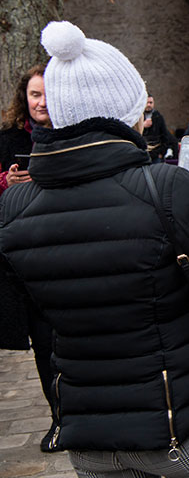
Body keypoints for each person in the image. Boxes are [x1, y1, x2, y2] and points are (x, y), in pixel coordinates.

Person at [0, 21, 189, 477]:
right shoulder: (165, 188)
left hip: (89, 436)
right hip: (185, 427)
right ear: (126, 114)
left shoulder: (14, 205)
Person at [0, 64, 59, 452]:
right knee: (43, 343)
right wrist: (7, 182)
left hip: (66, 250)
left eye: (47, 94)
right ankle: (60, 417)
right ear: (24, 98)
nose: (40, 102)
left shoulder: (71, 136)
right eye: (34, 95)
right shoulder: (6, 139)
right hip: (24, 259)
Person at [143, 93, 178, 163]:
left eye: (151, 102)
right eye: (147, 103)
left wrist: (162, 152)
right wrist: (143, 125)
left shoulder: (158, 116)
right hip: (143, 152)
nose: (149, 105)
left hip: (156, 153)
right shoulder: (138, 117)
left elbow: (165, 135)